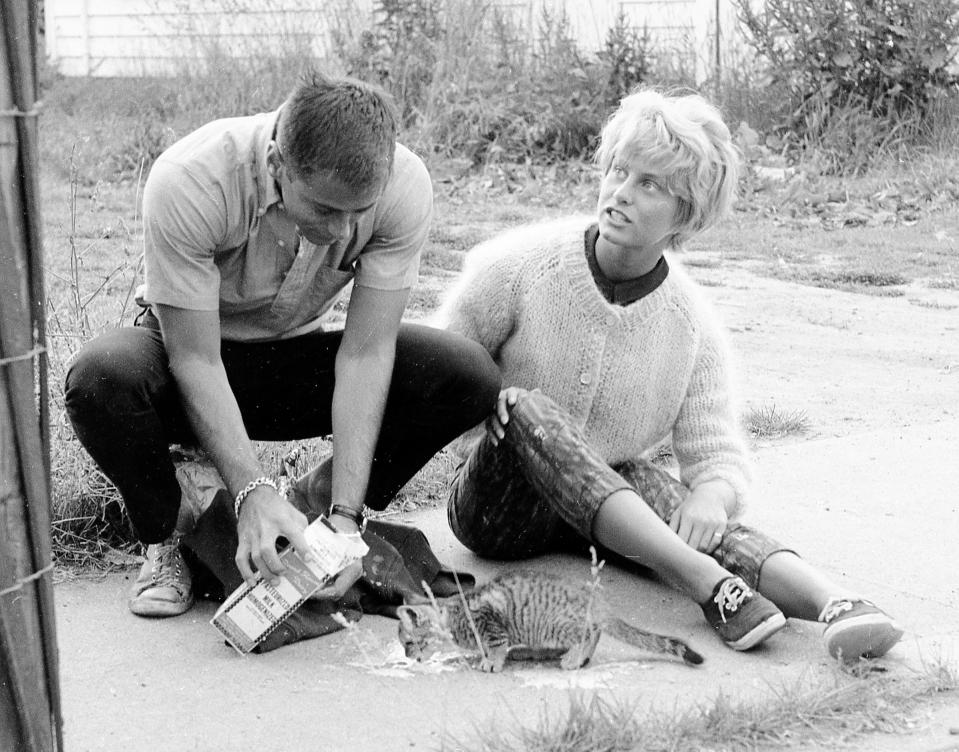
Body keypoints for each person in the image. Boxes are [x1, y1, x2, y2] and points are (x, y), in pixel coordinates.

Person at [436, 88, 903, 662]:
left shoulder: (689, 325)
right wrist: (486, 414)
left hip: (610, 514)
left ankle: (837, 604)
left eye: (649, 184)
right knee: (531, 408)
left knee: (675, 497)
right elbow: (442, 368)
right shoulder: (516, 268)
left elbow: (718, 452)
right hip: (496, 510)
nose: (620, 193)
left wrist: (710, 494)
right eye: (618, 171)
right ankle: (706, 584)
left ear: (686, 212)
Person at [65, 72, 500, 621]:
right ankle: (167, 535)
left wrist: (347, 516)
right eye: (324, 210)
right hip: (187, 360)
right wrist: (251, 491)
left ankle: (316, 504)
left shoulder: (404, 187)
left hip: (292, 362)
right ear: (277, 166)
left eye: (357, 212)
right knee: (100, 377)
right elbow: (195, 359)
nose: (343, 230)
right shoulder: (192, 180)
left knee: (465, 374)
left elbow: (367, 354)